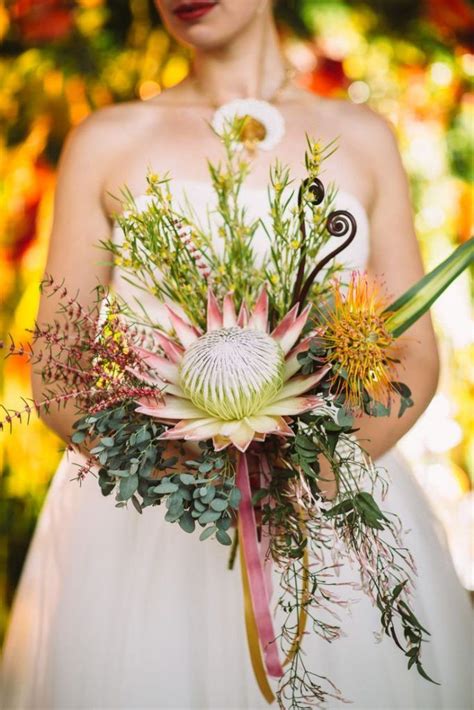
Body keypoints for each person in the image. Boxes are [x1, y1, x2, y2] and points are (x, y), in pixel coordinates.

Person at [1, 1, 472, 708]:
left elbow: (412, 355)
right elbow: (61, 370)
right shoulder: (106, 140)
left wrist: (305, 473)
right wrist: (182, 474)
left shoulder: (362, 136)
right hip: (152, 522)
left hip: (330, 510)